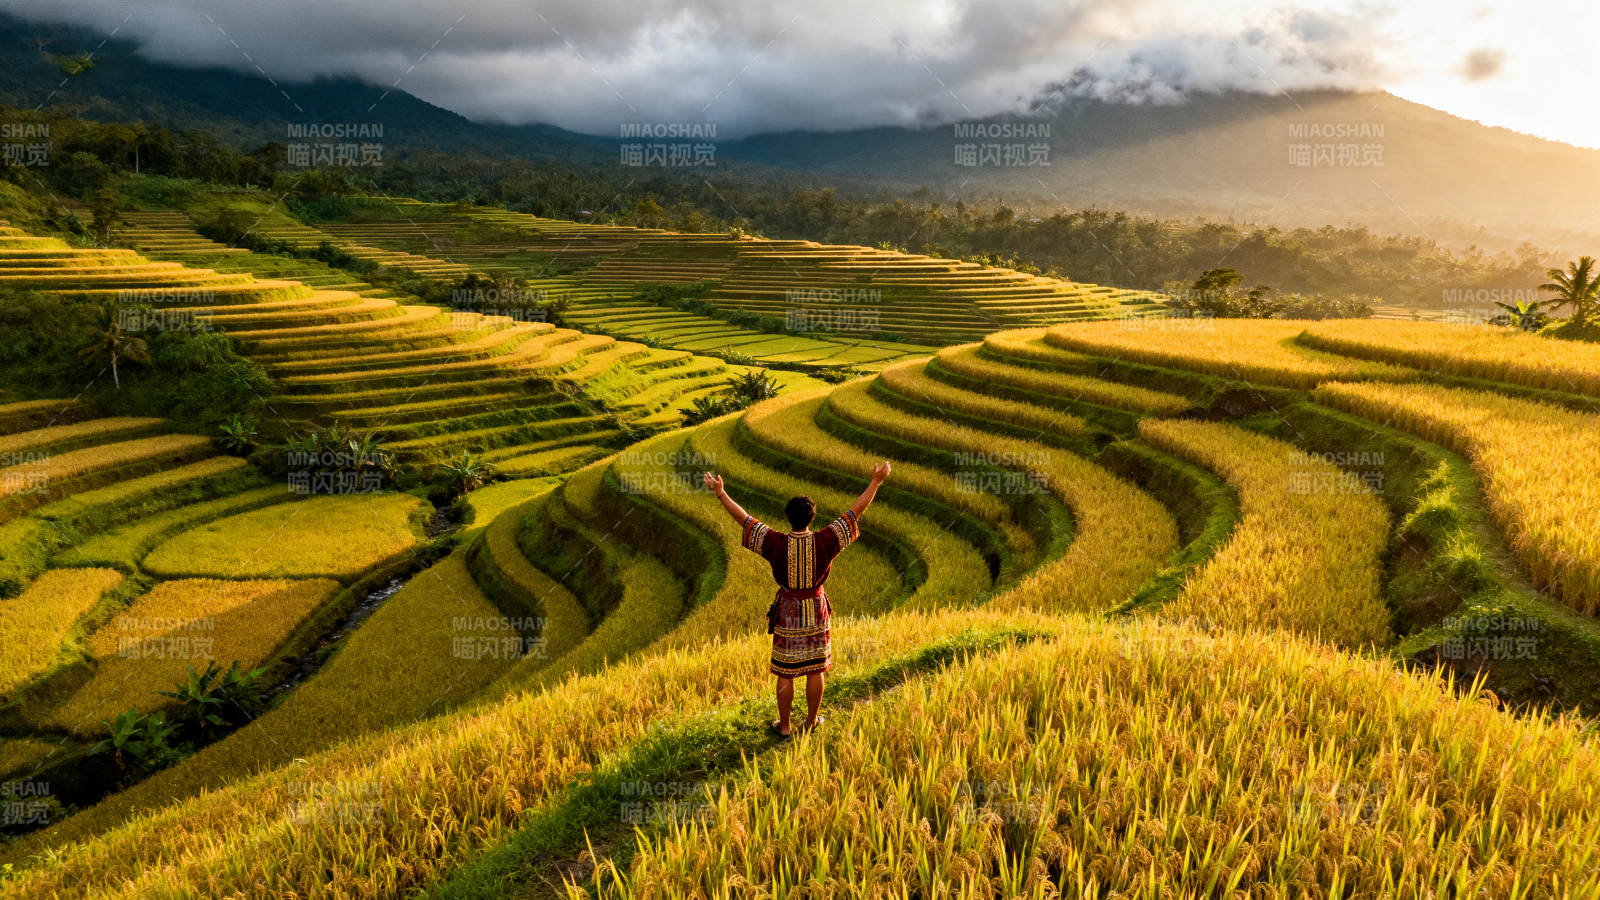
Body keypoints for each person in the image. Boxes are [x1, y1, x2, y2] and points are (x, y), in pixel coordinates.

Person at [702, 461, 891, 737]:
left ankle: (786, 726)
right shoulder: (825, 540)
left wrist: (721, 493)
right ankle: (811, 721)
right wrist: (876, 482)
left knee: (785, 671)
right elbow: (855, 513)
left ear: (789, 517)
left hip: (788, 608)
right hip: (816, 608)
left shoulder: (776, 542)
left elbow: (744, 519)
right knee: (816, 667)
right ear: (811, 518)